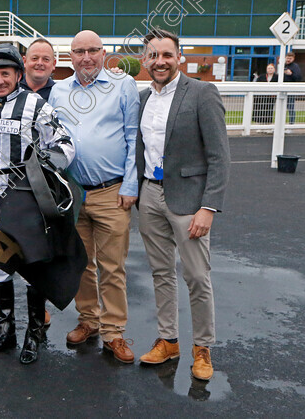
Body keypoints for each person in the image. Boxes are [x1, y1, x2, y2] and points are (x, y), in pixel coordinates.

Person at [0, 43, 75, 364]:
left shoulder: (36, 105)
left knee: (33, 267)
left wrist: (39, 168)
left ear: (18, 75)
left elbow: (66, 145)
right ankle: (6, 333)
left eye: (5, 74)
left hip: (28, 202)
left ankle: (34, 336)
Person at [136, 28, 230, 382]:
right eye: (153, 56)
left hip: (190, 201)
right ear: (145, 60)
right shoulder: (143, 98)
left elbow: (220, 156)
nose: (159, 62)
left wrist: (209, 207)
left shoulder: (202, 93)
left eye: (166, 55)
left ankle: (202, 347)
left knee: (196, 276)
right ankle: (168, 340)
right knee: (161, 273)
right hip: (151, 195)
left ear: (179, 57)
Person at [48, 30, 140, 363]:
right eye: (78, 51)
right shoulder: (59, 90)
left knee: (112, 266)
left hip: (112, 192)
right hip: (72, 192)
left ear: (104, 53)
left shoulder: (122, 85)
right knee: (81, 264)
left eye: (92, 50)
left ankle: (114, 331)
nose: (86, 57)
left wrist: (131, 185)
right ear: (69, 57)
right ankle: (89, 319)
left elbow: (133, 137)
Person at [283, 52, 302, 124]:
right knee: (280, 108)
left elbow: (299, 77)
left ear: (293, 59)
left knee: (290, 107)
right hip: (282, 88)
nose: (288, 60)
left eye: (290, 58)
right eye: (287, 58)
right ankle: (280, 124)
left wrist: (291, 74)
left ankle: (291, 124)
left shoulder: (295, 66)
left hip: (290, 89)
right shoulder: (282, 65)